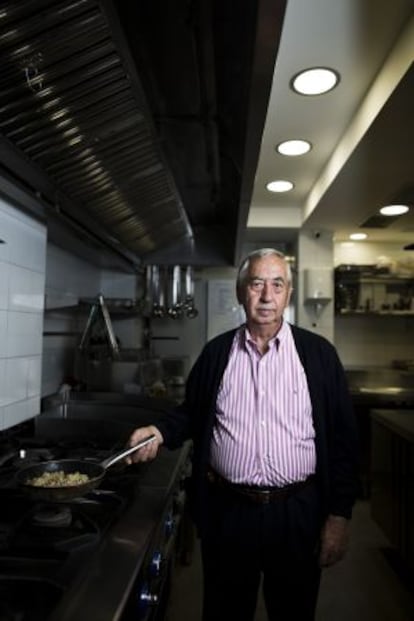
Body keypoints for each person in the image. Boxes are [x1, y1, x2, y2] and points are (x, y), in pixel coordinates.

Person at [127, 248, 359, 621]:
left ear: (288, 294)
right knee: (225, 612)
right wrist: (157, 431)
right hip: (229, 513)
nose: (267, 296)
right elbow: (191, 413)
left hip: (298, 513)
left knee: (294, 612)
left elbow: (345, 442)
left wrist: (339, 516)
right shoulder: (217, 353)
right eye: (256, 284)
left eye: (277, 284)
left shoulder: (318, 356)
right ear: (241, 292)